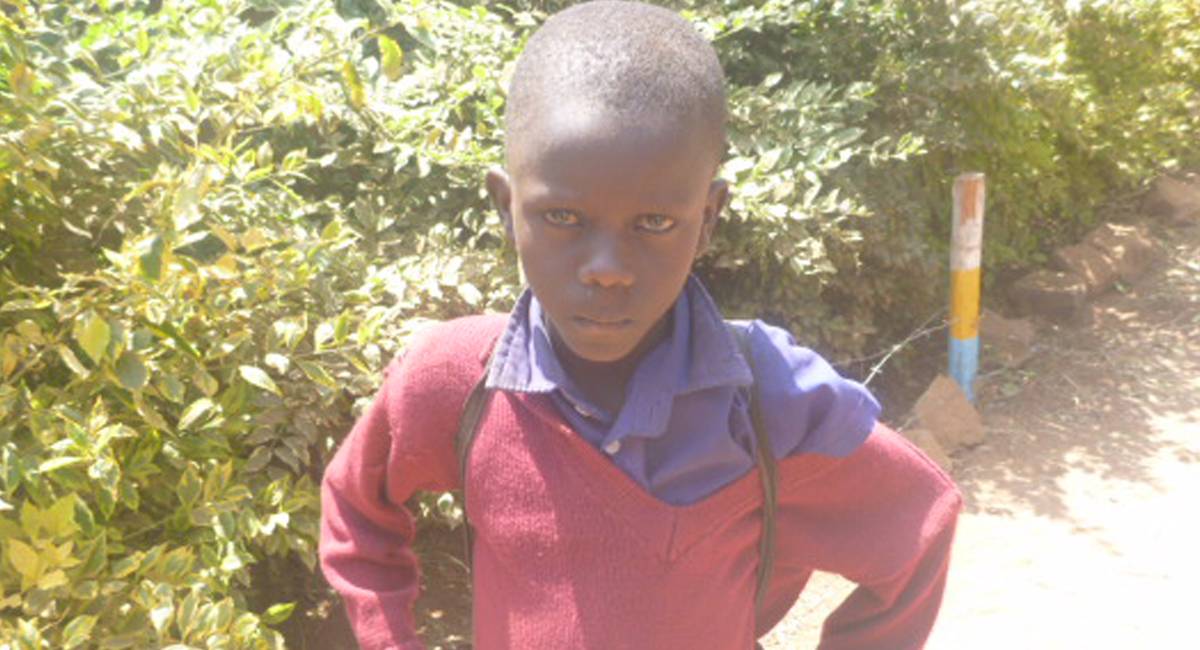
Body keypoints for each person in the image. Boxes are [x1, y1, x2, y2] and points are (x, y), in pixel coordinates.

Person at [319, 2, 962, 649]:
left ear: (708, 218)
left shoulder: (770, 400)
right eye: (563, 217)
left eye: (653, 223)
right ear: (506, 208)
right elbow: (355, 507)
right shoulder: (460, 382)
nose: (606, 270)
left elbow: (921, 526)